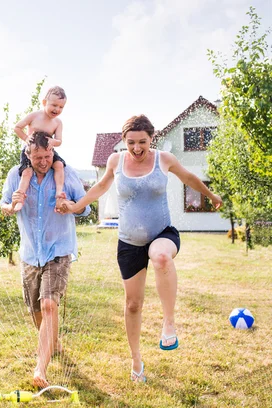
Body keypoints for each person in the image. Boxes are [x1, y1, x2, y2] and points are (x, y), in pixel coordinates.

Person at [64, 114, 222, 382]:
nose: (137, 148)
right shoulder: (115, 161)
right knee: (133, 304)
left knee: (160, 256)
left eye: (143, 142)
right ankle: (136, 362)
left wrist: (211, 195)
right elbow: (101, 187)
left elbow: (189, 177)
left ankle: (168, 323)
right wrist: (75, 206)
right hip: (129, 242)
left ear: (152, 138)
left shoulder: (164, 160)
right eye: (131, 143)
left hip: (162, 233)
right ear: (124, 141)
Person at [0, 131, 91, 388]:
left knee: (50, 305)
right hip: (30, 252)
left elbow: (86, 206)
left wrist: (71, 206)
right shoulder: (17, 175)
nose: (43, 161)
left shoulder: (65, 173)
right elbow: (4, 203)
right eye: (38, 157)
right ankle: (53, 343)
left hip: (58, 250)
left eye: (48, 155)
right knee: (36, 310)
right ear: (28, 155)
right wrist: (9, 207)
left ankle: (41, 368)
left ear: (53, 151)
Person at [13, 86, 67, 212]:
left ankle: (59, 193)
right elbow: (17, 127)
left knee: (59, 165)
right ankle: (20, 198)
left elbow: (59, 141)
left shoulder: (57, 122)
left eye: (61, 107)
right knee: (27, 172)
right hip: (31, 152)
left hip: (48, 151)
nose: (57, 109)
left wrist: (53, 141)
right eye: (54, 105)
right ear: (44, 103)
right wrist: (26, 138)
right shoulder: (34, 116)